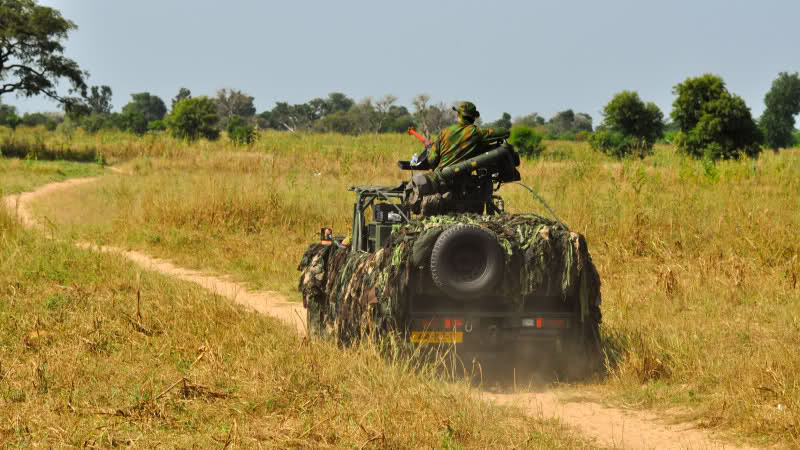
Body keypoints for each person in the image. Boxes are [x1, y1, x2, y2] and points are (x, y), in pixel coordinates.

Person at [409, 101, 509, 216]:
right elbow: (504, 132)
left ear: (459, 116)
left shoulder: (444, 133)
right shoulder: (476, 133)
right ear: (473, 118)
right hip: (463, 186)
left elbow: (432, 161)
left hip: (440, 183)